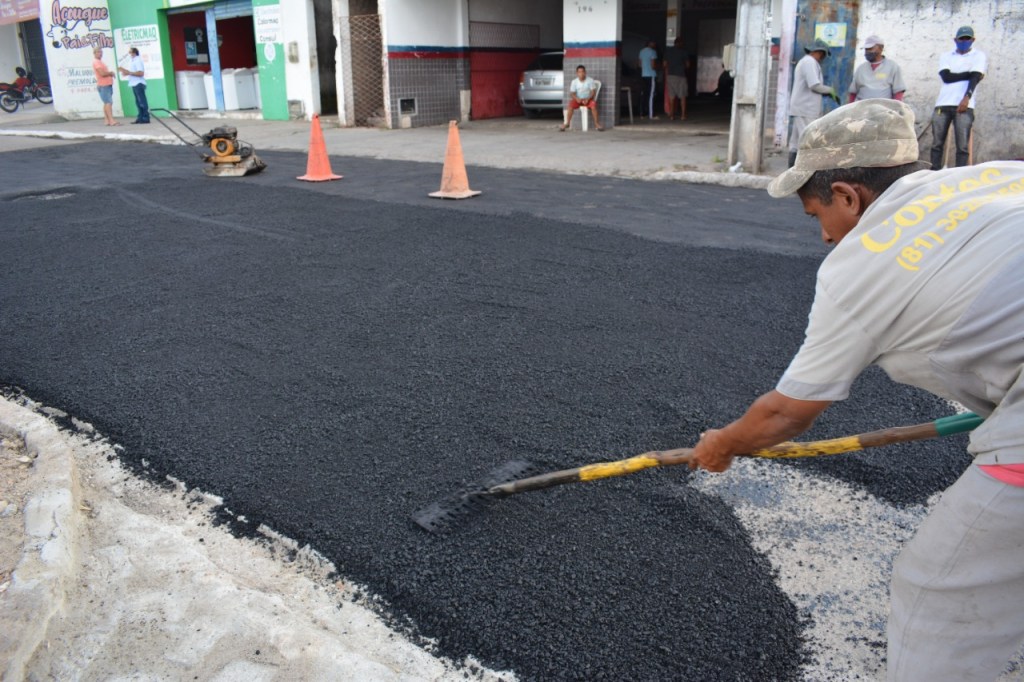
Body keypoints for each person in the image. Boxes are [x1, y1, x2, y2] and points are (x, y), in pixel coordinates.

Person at [692, 98, 1024, 681]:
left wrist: (722, 443)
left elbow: (785, 415)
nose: (823, 236)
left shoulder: (861, 265)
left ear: (848, 196)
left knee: (937, 590)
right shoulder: (995, 176)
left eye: (816, 214)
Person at [930, 25, 986, 169]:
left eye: (967, 39)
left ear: (973, 40)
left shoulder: (978, 56)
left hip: (964, 105)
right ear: (955, 40)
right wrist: (970, 74)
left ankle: (959, 174)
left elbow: (974, 79)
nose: (964, 41)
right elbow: (946, 77)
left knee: (962, 145)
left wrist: (966, 98)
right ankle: (933, 172)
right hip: (943, 103)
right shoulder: (946, 56)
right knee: (937, 143)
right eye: (961, 39)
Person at [787, 38, 838, 168]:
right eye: (823, 54)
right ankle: (802, 170)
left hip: (803, 107)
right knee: (807, 140)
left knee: (796, 141)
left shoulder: (807, 62)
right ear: (819, 52)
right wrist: (830, 90)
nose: (823, 58)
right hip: (805, 108)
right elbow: (814, 85)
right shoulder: (809, 62)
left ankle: (792, 170)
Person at [847, 35, 905, 103]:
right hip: (862, 108)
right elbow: (853, 92)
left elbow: (898, 91)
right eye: (866, 49)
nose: (867, 52)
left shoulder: (893, 67)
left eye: (870, 49)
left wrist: (895, 108)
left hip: (883, 108)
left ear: (881, 48)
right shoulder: (861, 69)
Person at [559, 65, 602, 132]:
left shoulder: (590, 80)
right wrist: (576, 99)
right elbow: (572, 93)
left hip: (588, 99)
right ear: (577, 73)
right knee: (570, 106)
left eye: (582, 72)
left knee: (593, 105)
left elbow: (593, 92)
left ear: (585, 72)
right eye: (579, 72)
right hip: (578, 99)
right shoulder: (574, 81)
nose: (581, 73)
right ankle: (567, 123)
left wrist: (588, 99)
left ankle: (596, 124)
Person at [118, 47, 149, 124]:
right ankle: (140, 117)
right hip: (134, 83)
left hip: (138, 83)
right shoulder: (133, 61)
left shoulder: (138, 60)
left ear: (134, 53)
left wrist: (129, 73)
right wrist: (126, 72)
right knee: (138, 102)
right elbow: (133, 72)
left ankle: (145, 117)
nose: (129, 54)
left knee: (141, 101)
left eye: (130, 52)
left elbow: (140, 73)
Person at [662, 37, 690, 121]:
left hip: (670, 76)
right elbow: (688, 65)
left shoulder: (668, 51)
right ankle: (683, 115)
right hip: (681, 76)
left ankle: (671, 115)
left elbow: (664, 64)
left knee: (671, 96)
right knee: (682, 96)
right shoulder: (684, 52)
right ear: (681, 43)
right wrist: (681, 67)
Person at [92, 47, 118, 126]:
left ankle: (107, 120)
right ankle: (111, 120)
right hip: (104, 84)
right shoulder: (96, 62)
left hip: (106, 84)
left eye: (101, 52)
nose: (100, 53)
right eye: (99, 52)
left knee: (106, 102)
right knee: (108, 102)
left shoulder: (100, 61)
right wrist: (110, 73)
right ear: (95, 53)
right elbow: (102, 73)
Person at [638, 39, 659, 120]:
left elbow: (639, 64)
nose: (655, 45)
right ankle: (651, 115)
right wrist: (659, 67)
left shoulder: (641, 51)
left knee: (644, 94)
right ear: (650, 43)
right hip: (651, 75)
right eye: (654, 43)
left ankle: (642, 114)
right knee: (651, 95)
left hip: (643, 75)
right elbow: (653, 65)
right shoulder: (653, 52)